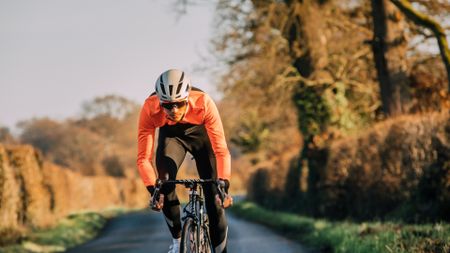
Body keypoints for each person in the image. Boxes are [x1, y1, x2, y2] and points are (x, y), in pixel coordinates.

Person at [137, 69, 233, 253]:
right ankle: (177, 241)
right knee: (164, 185)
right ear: (160, 101)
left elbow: (221, 150)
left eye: (179, 104)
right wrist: (153, 190)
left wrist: (224, 184)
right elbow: (143, 158)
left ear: (187, 97)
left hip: (202, 140)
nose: (174, 110)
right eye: (167, 105)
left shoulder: (204, 102)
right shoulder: (150, 108)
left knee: (214, 197)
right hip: (172, 139)